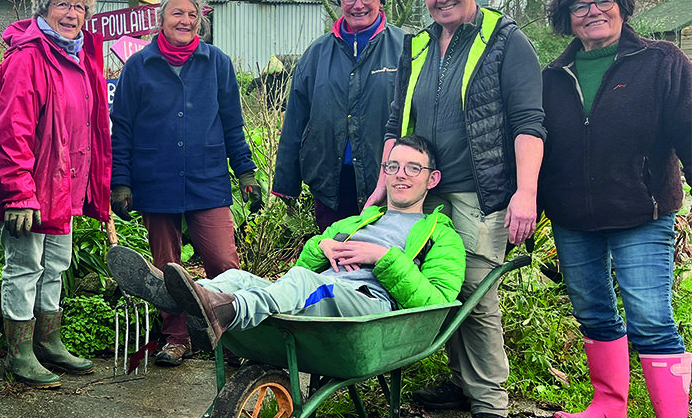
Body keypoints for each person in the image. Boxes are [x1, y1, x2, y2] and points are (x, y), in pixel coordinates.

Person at [368, 0, 545, 418]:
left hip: (478, 192)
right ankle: (460, 383)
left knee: (474, 292)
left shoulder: (507, 43)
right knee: (434, 283)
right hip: (423, 188)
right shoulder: (417, 45)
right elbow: (395, 122)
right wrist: (383, 186)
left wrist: (525, 192)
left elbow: (528, 123)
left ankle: (490, 406)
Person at [539, 0, 692, 418]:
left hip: (641, 210)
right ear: (567, 18)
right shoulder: (552, 76)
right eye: (580, 6)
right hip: (574, 216)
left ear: (622, 6)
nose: (593, 12)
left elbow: (687, 130)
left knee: (651, 316)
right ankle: (609, 406)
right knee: (592, 309)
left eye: (603, 1)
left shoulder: (661, 61)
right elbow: (542, 149)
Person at [113, 136, 463, 344]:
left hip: (370, 309)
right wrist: (320, 246)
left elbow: (438, 303)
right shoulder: (360, 220)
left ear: (431, 179)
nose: (401, 175)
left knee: (300, 282)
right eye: (393, 167)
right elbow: (305, 264)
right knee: (235, 278)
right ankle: (181, 293)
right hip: (325, 291)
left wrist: (382, 257)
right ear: (384, 173)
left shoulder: (441, 235)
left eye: (412, 168)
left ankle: (222, 310)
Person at [110, 0, 260, 366]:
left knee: (223, 262)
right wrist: (121, 181)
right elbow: (122, 128)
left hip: (207, 179)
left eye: (192, 15)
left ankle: (235, 338)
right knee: (165, 268)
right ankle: (177, 338)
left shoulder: (216, 63)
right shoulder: (139, 66)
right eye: (177, 14)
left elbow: (232, 124)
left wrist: (246, 172)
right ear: (161, 19)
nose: (185, 21)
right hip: (155, 179)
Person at [0, 0, 111, 388]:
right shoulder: (29, 57)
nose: (71, 13)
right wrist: (18, 192)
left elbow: (91, 129)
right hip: (32, 189)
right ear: (44, 7)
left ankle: (49, 341)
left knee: (55, 266)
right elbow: (10, 132)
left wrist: (96, 190)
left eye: (79, 6)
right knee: (24, 267)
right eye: (62, 4)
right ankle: (20, 353)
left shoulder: (81, 58)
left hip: (66, 187)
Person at [273, 0, 404, 228]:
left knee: (381, 258)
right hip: (330, 179)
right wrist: (286, 182)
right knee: (334, 255)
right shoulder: (317, 53)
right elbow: (295, 119)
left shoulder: (405, 48)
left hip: (389, 179)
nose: (358, 5)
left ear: (380, 0)